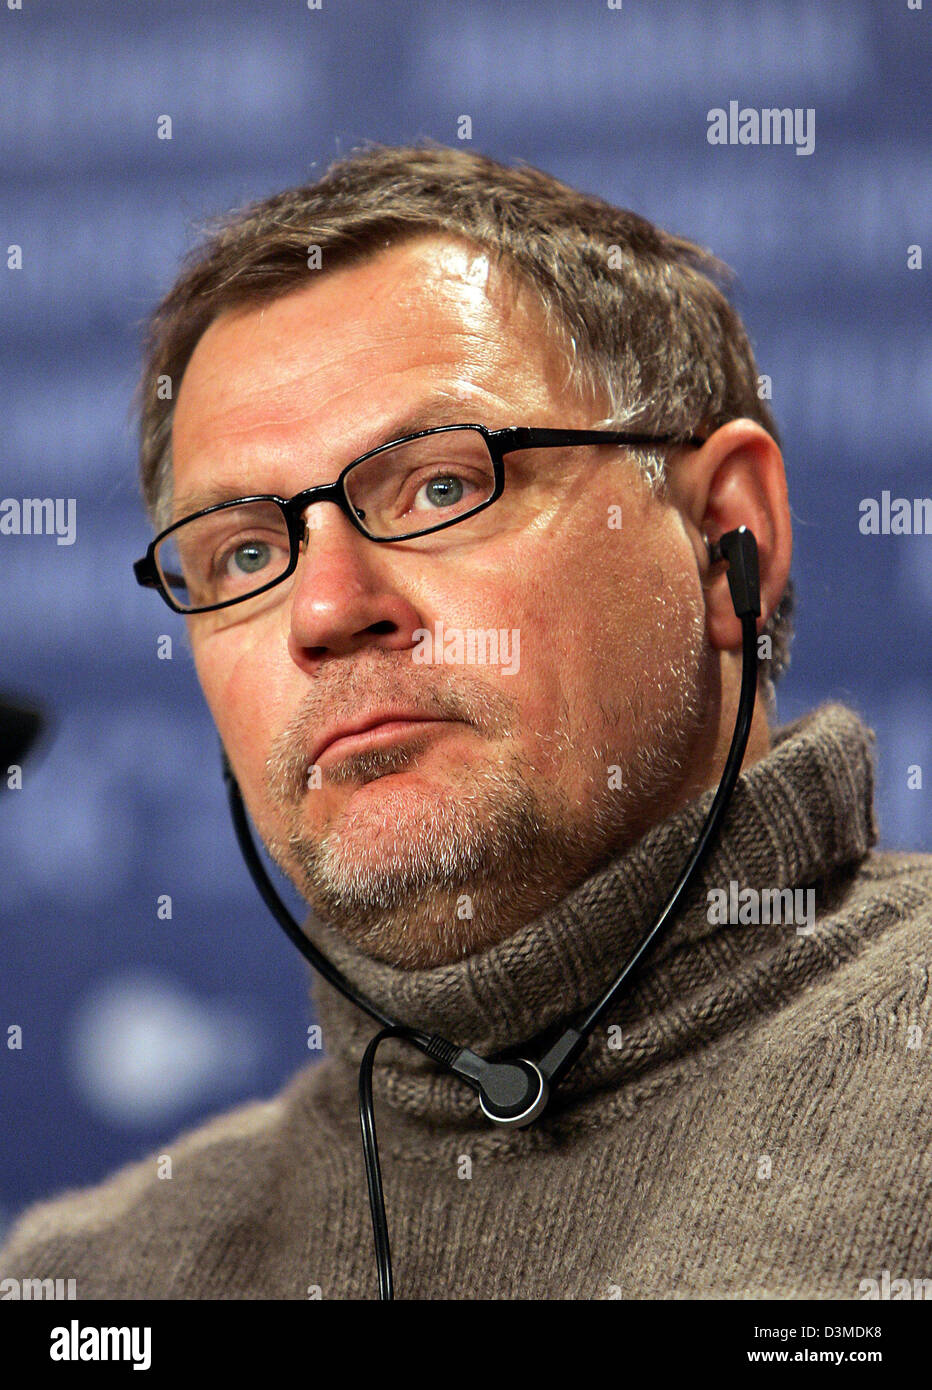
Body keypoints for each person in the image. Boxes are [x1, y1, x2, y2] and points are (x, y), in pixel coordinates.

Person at [2, 143, 929, 1301]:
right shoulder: (89, 1285)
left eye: (440, 486)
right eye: (245, 551)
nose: (327, 611)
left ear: (721, 535)